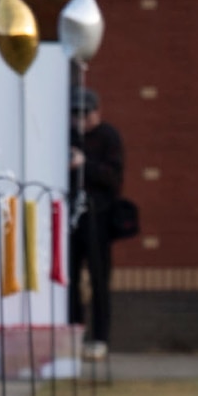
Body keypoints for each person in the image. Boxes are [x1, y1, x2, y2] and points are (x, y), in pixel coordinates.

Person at [68, 86, 124, 359]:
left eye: (84, 113)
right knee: (69, 279)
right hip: (71, 219)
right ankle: (74, 332)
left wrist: (84, 164)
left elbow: (113, 178)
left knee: (99, 279)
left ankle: (100, 337)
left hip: (98, 217)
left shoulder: (108, 137)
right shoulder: (68, 137)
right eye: (74, 114)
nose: (79, 119)